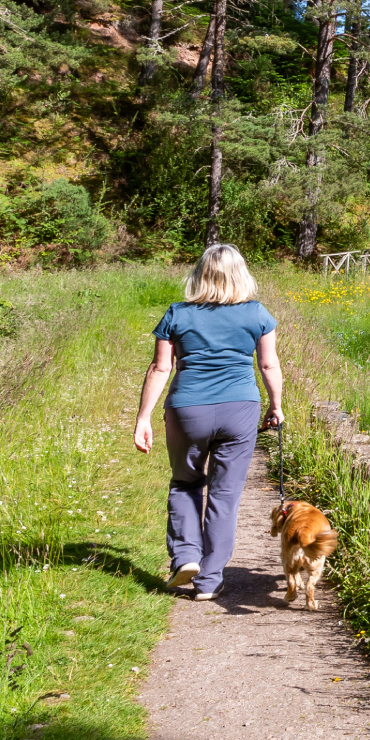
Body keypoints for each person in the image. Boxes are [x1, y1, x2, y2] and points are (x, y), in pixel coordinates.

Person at [131, 243, 286, 600]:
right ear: (241, 275)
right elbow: (268, 365)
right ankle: (209, 579)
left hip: (188, 410)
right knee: (225, 495)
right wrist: (275, 405)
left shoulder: (177, 314)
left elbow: (161, 368)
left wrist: (143, 418)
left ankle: (186, 555)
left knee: (185, 483)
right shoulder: (257, 313)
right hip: (240, 408)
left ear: (200, 274)